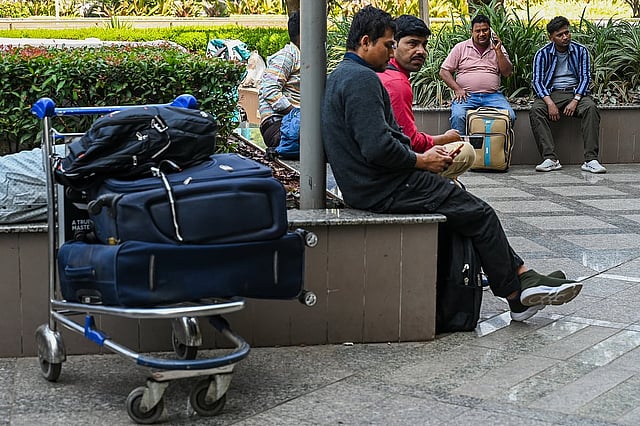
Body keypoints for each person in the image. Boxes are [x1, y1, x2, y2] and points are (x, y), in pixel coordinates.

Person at [321, 5, 582, 323]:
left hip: (369, 185)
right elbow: (379, 148)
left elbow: (380, 140)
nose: (391, 52)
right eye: (389, 45)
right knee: (481, 214)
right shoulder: (363, 79)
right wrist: (423, 161)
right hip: (384, 187)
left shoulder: (342, 75)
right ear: (365, 42)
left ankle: (521, 281)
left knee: (466, 208)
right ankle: (517, 294)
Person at [378, 14, 475, 182]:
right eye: (412, 43)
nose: (421, 51)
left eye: (424, 44)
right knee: (465, 151)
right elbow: (410, 142)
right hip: (391, 172)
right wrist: (445, 138)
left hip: (375, 165)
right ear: (394, 45)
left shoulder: (382, 72)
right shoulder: (396, 82)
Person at [530, 16, 606, 174]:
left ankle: (591, 160)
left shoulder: (580, 51)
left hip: (575, 92)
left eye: (567, 33)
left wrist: (575, 100)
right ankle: (550, 159)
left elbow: (585, 78)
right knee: (536, 110)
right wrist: (550, 103)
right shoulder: (542, 54)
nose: (565, 37)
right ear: (551, 38)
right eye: (560, 35)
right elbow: (537, 82)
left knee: (591, 108)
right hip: (552, 93)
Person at [439, 14, 515, 135]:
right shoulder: (461, 47)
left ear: (490, 31)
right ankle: (461, 146)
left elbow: (507, 72)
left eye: (485, 30)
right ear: (472, 32)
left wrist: (498, 51)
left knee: (510, 116)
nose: (482, 34)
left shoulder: (497, 48)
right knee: (458, 116)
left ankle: (498, 146)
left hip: (492, 96)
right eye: (478, 31)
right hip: (467, 96)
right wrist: (457, 89)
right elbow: (444, 71)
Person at [258, 11, 300, 148]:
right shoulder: (287, 56)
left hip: (294, 124)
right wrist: (296, 113)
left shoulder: (307, 57)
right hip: (279, 126)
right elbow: (270, 91)